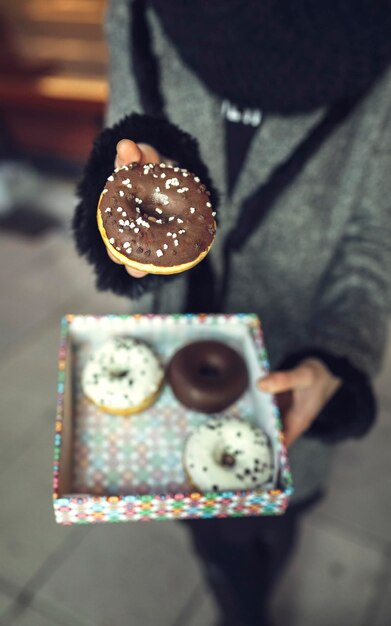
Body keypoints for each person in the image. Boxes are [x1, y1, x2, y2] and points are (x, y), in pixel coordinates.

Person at [73, 1, 391, 624]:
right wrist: (119, 221)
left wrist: (338, 357)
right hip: (170, 363)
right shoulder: (141, 14)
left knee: (273, 522)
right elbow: (121, 149)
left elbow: (372, 237)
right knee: (209, 535)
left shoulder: (375, 48)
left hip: (291, 378)